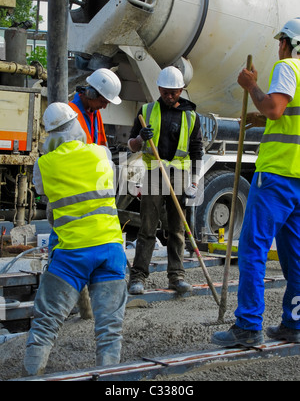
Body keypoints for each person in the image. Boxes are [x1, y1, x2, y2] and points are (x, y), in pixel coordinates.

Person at [212, 18, 300, 347]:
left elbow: (277, 108)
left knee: (252, 249)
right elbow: (291, 114)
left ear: (291, 45)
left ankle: (248, 325)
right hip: (298, 180)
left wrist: (251, 86)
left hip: (276, 177)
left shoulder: (289, 67)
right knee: (296, 257)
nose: (279, 47)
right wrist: (259, 116)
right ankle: (294, 323)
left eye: (283, 42)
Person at [23, 103, 127, 377]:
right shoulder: (102, 152)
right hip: (110, 249)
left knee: (45, 325)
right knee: (109, 330)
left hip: (72, 255)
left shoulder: (43, 165)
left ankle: (32, 373)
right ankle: (109, 379)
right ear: (77, 126)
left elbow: (46, 197)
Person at [127, 66, 203, 295]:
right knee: (147, 228)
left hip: (178, 176)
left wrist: (195, 181)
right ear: (159, 88)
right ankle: (138, 277)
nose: (170, 96)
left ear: (181, 90)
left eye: (175, 92)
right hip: (153, 174)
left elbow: (197, 149)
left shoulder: (191, 116)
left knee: (177, 229)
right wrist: (141, 137)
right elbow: (131, 146)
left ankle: (176, 276)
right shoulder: (147, 111)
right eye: (166, 91)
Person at [69, 68, 122, 146]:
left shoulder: (95, 112)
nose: (104, 107)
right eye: (103, 102)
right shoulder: (71, 113)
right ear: (91, 94)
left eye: (107, 103)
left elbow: (101, 144)